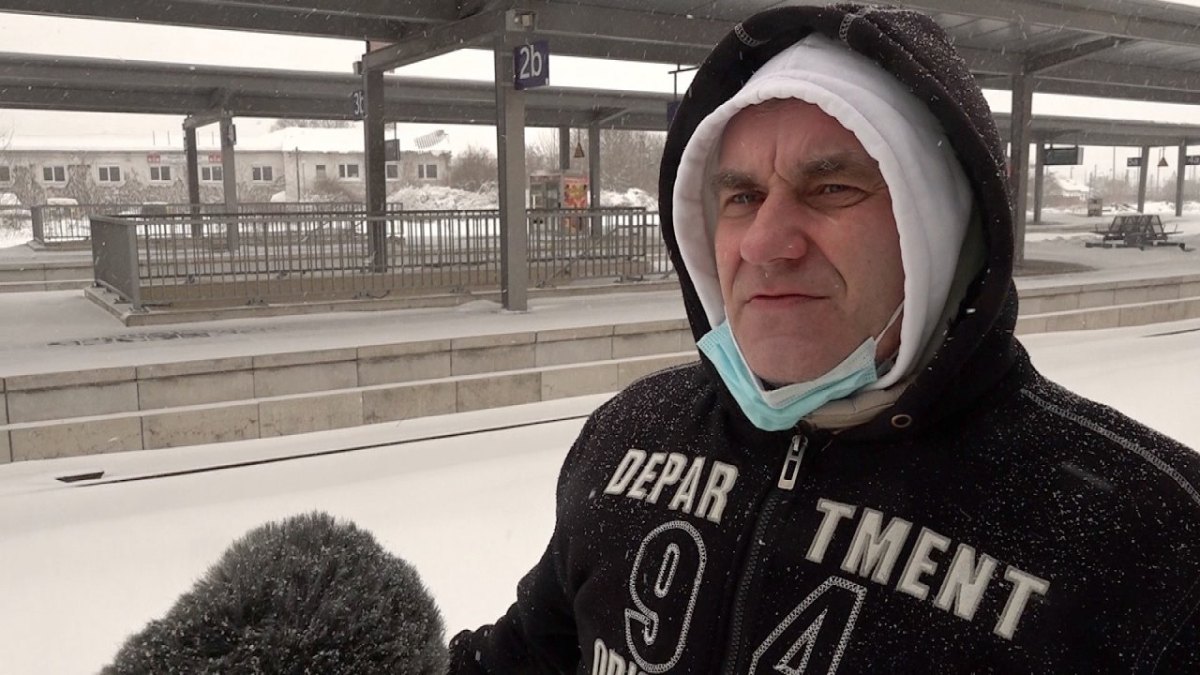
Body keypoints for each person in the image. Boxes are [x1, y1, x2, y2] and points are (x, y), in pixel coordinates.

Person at [449, 4, 1200, 672]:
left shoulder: (1151, 539)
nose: (765, 242)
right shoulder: (627, 436)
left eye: (832, 187)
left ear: (942, 230)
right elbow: (528, 653)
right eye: (741, 196)